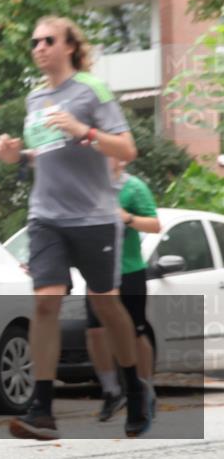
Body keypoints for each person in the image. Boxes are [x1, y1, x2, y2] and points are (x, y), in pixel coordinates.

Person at [0, 16, 151, 440]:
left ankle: (135, 388)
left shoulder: (91, 90)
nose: (39, 46)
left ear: (68, 47)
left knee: (106, 306)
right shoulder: (35, 98)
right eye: (35, 41)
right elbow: (45, 152)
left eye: (48, 40)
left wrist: (85, 130)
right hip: (46, 216)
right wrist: (14, 154)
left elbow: (126, 148)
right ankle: (42, 409)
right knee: (46, 303)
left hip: (95, 217)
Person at [87, 158, 160, 422]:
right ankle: (111, 390)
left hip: (130, 270)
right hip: (97, 270)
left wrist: (126, 217)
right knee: (95, 331)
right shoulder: (90, 186)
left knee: (136, 332)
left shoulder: (135, 188)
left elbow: (154, 224)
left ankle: (145, 387)